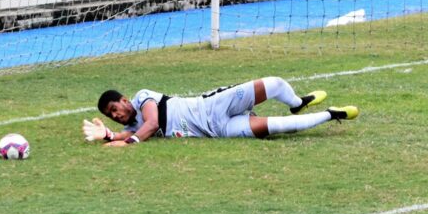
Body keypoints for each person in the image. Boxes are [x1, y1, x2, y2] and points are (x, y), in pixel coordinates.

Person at [82, 77, 358, 146]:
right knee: (279, 128)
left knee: (273, 83)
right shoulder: (133, 129)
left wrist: (128, 141)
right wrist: (107, 136)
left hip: (214, 105)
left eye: (114, 109)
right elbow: (127, 135)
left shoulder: (144, 99)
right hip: (219, 131)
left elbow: (152, 124)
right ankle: (333, 114)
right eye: (111, 116)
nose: (115, 116)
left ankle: (297, 102)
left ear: (125, 100)